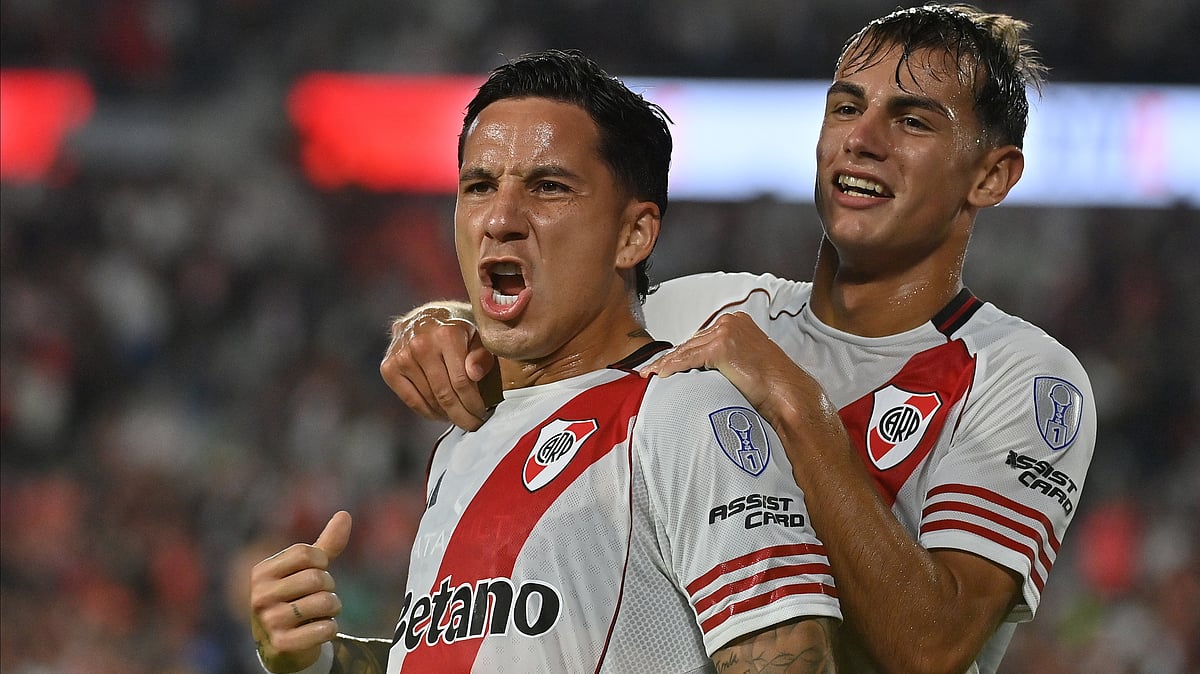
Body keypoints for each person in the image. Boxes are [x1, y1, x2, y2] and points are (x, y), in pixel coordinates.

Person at [379, 6, 1097, 674]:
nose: (863, 139)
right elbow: (558, 324)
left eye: (912, 121)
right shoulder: (710, 307)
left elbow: (933, 645)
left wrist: (794, 402)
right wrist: (438, 325)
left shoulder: (1023, 377)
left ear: (992, 175)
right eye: (847, 107)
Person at [251, 49, 840, 674]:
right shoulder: (462, 443)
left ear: (633, 235)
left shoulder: (681, 415)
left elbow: (789, 661)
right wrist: (315, 658)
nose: (500, 219)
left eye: (548, 187)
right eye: (479, 186)